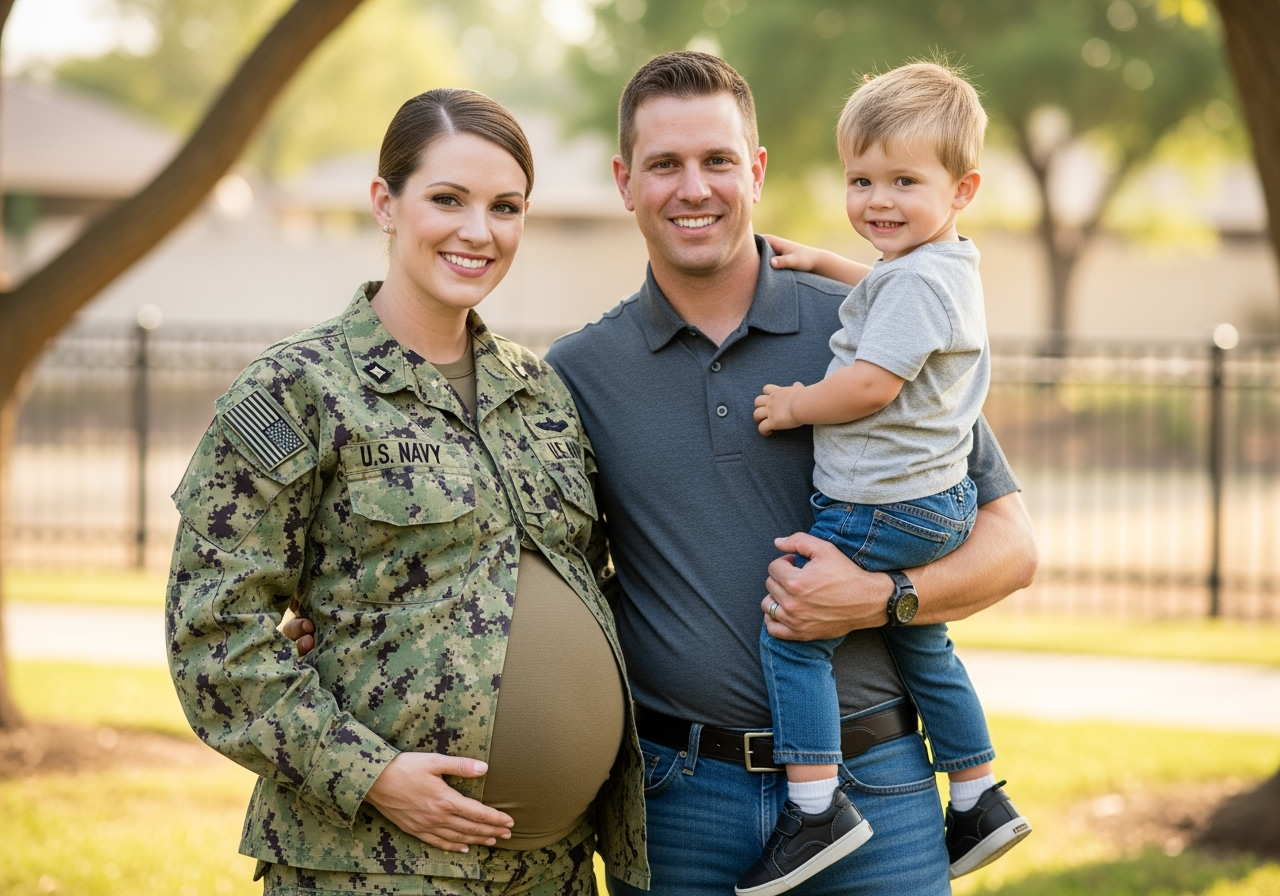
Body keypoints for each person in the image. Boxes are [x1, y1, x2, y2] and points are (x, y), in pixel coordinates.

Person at [543, 52, 1036, 896]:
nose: (693, 187)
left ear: (756, 171)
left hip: (877, 788)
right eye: (665, 164)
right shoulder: (579, 373)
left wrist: (884, 599)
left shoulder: (874, 326)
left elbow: (1011, 547)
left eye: (717, 160)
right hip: (676, 800)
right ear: (626, 182)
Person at [164, 88, 649, 896]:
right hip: (373, 867)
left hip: (557, 870)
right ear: (386, 203)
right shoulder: (296, 392)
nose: (478, 231)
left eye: (506, 207)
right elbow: (213, 638)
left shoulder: (543, 393)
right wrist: (375, 774)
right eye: (447, 199)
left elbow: (588, 586)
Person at [744, 62, 1029, 895]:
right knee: (922, 641)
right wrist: (828, 262)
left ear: (962, 186)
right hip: (937, 504)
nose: (877, 199)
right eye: (861, 179)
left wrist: (797, 405)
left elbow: (871, 383)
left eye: (904, 181)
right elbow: (888, 290)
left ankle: (816, 805)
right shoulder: (944, 267)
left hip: (879, 508)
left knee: (794, 627)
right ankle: (977, 795)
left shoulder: (914, 281)